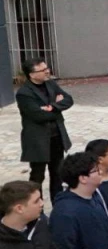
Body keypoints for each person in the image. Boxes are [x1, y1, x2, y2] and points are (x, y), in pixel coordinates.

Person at [17, 57, 74, 200]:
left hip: (56, 137)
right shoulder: (24, 93)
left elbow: (69, 100)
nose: (47, 71)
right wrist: (57, 108)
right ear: (32, 74)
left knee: (57, 173)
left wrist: (52, 107)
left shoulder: (51, 84)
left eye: (46, 68)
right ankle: (37, 207)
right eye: (42, 70)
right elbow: (38, 115)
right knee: (37, 176)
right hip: (38, 140)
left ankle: (58, 203)